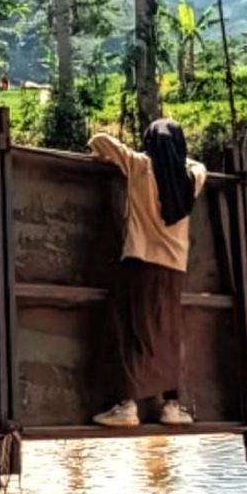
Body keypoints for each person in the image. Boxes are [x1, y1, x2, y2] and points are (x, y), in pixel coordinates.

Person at [88, 118, 207, 427]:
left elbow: (100, 139)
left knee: (132, 332)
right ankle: (171, 407)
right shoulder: (192, 177)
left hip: (140, 263)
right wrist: (176, 157)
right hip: (174, 268)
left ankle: (127, 406)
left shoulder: (140, 166)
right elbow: (199, 165)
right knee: (168, 333)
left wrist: (121, 154)